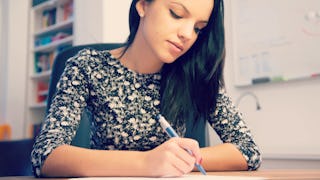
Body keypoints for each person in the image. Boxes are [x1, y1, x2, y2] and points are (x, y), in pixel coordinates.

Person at [31, 0, 262, 178]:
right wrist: (147, 163)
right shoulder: (87, 66)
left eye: (198, 28)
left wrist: (180, 160)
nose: (187, 34)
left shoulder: (194, 72)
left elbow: (248, 150)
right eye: (176, 14)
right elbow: (46, 155)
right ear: (142, 5)